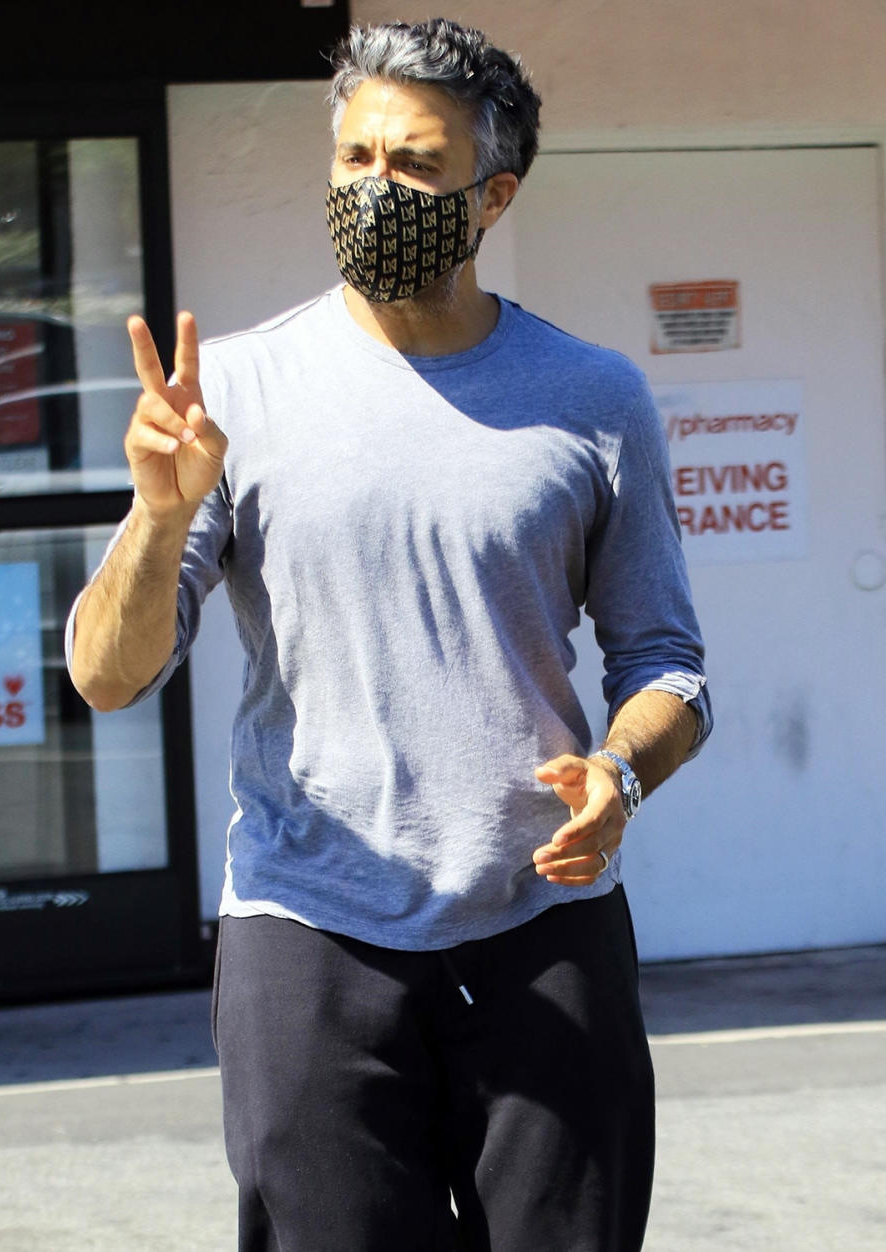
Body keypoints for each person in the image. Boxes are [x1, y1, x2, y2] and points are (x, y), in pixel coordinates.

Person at [67, 17, 711, 1252]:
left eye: (414, 166)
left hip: (540, 929)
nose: (374, 188)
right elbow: (106, 673)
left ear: (494, 193)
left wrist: (622, 772)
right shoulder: (239, 394)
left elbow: (668, 665)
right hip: (309, 938)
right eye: (354, 158)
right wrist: (160, 517)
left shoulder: (591, 397)